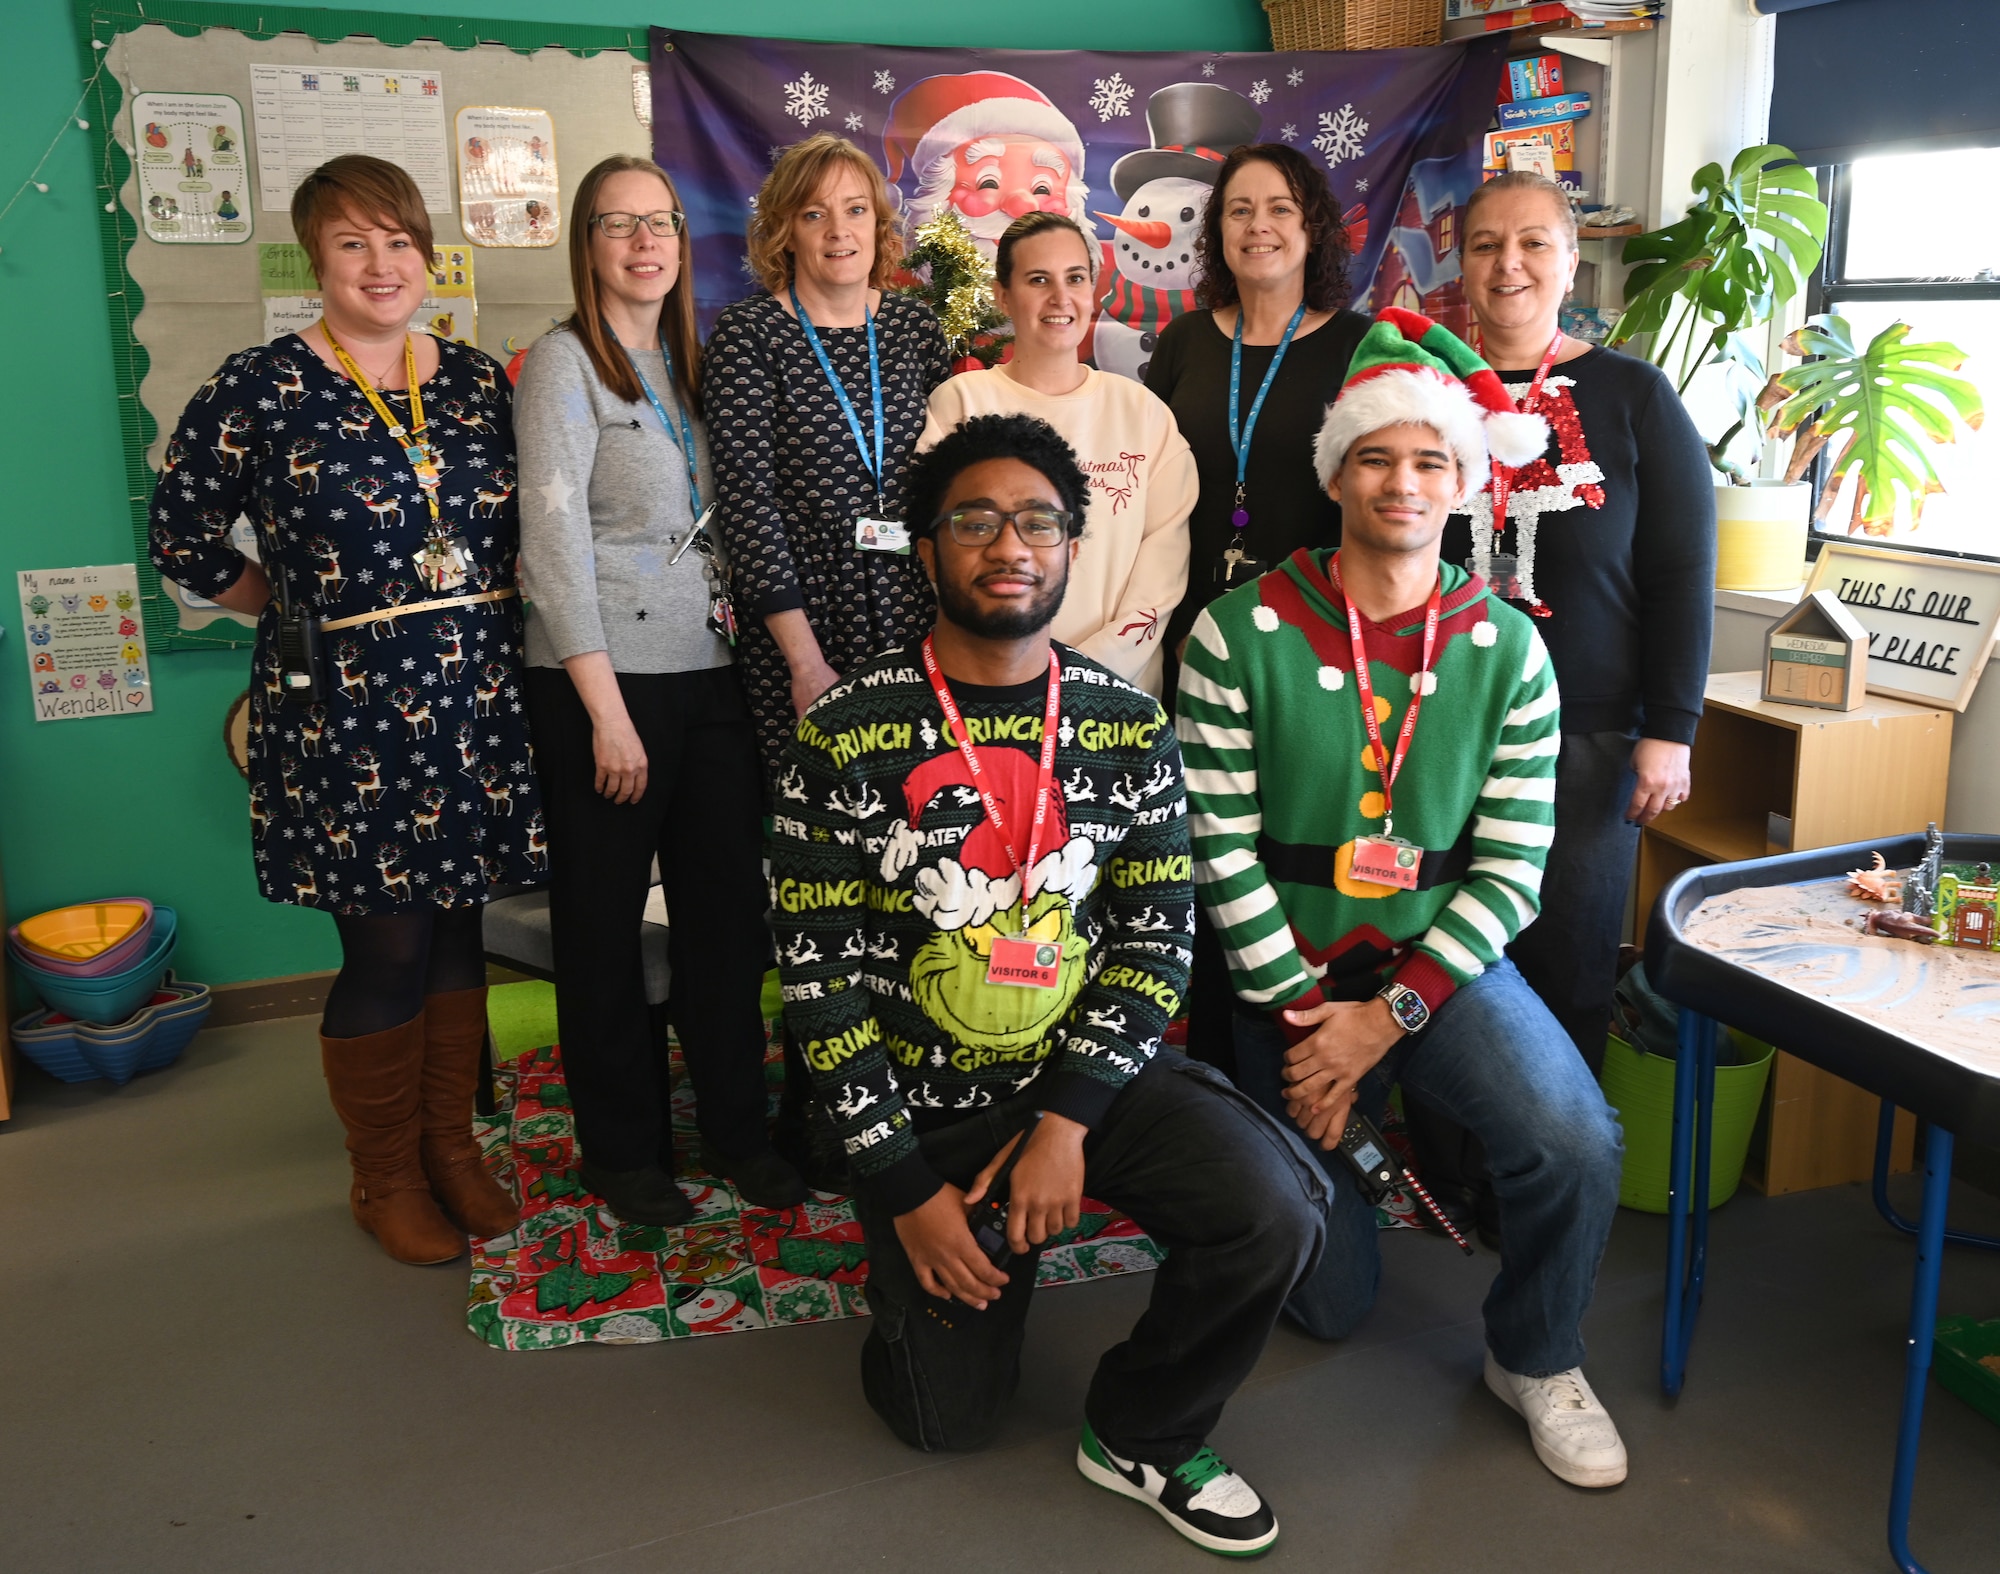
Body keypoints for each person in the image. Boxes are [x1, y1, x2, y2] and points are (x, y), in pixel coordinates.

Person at [770, 412, 1325, 1556]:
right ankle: (908, 1262)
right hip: (926, 1113)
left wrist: (1068, 1122)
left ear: (1071, 546)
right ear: (925, 551)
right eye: (972, 519)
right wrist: (904, 1187)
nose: (1007, 543)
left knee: (1275, 1208)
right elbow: (816, 986)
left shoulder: (1124, 723)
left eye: (1037, 520)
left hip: (1086, 1084)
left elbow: (1157, 935)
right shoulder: (842, 731)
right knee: (945, 1420)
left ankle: (1144, 1427)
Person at [1178, 309, 1628, 1490]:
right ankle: (1314, 1165)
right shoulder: (1235, 634)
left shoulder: (1508, 650)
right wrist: (1302, 1023)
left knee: (1575, 1138)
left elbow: (1512, 870)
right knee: (1328, 1301)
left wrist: (1387, 1018)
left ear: (1463, 480)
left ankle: (1534, 1352)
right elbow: (1214, 846)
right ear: (1334, 469)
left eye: (1431, 457)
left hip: (1438, 972)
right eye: (1375, 454)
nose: (1401, 479)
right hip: (1283, 986)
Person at [148, 154, 536, 1265]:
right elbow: (180, 536)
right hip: (346, 714)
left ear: (427, 254)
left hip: (475, 700)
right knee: (387, 949)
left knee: (461, 927)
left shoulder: (469, 379)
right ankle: (385, 1174)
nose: (382, 264)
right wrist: (292, 611)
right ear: (315, 258)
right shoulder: (257, 385)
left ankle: (453, 1148)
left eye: (399, 241)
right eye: (354, 243)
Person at [513, 155, 804, 1224]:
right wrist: (605, 714)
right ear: (584, 244)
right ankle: (622, 1148)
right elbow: (551, 550)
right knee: (599, 928)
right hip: (604, 686)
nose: (643, 241)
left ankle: (736, 1129)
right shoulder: (562, 364)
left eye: (660, 221)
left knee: (726, 922)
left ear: (683, 240)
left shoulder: (694, 361)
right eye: (616, 223)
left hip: (713, 674)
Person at [1449, 170, 1716, 1067]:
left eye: (1533, 243)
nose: (1509, 264)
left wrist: (1671, 730)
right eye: (1486, 244)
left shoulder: (1636, 398)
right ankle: (1453, 1182)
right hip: (1440, 724)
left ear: (1570, 265)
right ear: (1462, 265)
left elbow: (1683, 572)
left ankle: (1553, 1190)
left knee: (1567, 964)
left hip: (1589, 735)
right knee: (1445, 962)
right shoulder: (1425, 391)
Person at [1143, 142, 1372, 1078]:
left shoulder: (1359, 347)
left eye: (1278, 208)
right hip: (1193, 637)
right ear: (1217, 231)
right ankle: (1210, 1084)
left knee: (1289, 851)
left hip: (1308, 645)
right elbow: (1145, 485)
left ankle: (1308, 1062)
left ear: (1310, 224)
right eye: (1238, 210)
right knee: (1206, 848)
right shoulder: (1188, 344)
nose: (1259, 226)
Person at [705, 133, 955, 790]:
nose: (838, 230)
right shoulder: (749, 334)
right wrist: (803, 660)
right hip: (806, 615)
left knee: (928, 811)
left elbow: (949, 475)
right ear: (785, 231)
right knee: (823, 825)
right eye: (814, 213)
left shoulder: (914, 329)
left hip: (917, 606)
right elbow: (746, 501)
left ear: (879, 222)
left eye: (855, 210)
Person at [919, 212, 1195, 695]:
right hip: (988, 684)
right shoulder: (961, 403)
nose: (1059, 298)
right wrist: (1020, 670)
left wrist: (1090, 673)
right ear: (1003, 294)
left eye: (1074, 278)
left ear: (1093, 289)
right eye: (1038, 280)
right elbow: (944, 552)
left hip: (1116, 695)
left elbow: (1162, 575)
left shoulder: (1143, 414)